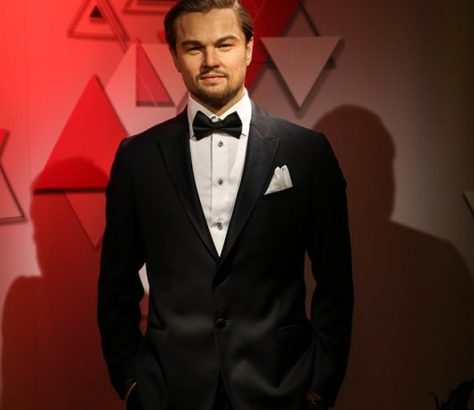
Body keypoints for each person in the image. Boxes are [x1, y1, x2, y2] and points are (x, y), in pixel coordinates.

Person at [97, 1, 353, 409]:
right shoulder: (137, 158)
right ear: (175, 56)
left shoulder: (307, 152)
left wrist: (318, 389)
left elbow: (336, 283)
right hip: (169, 394)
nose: (210, 60)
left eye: (224, 44)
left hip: (282, 390)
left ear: (249, 49)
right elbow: (115, 287)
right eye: (194, 47)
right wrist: (131, 385)